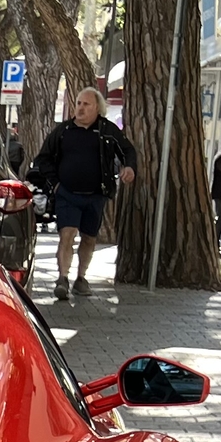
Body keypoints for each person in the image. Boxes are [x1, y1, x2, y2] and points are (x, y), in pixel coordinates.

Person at [25, 87, 139, 300]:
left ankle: (81, 278)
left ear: (97, 108)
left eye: (86, 104)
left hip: (96, 195)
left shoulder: (107, 131)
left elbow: (128, 150)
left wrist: (129, 167)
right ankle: (62, 278)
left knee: (89, 238)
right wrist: (56, 185)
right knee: (66, 234)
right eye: (78, 103)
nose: (80, 108)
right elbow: (43, 159)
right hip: (67, 194)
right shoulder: (63, 131)